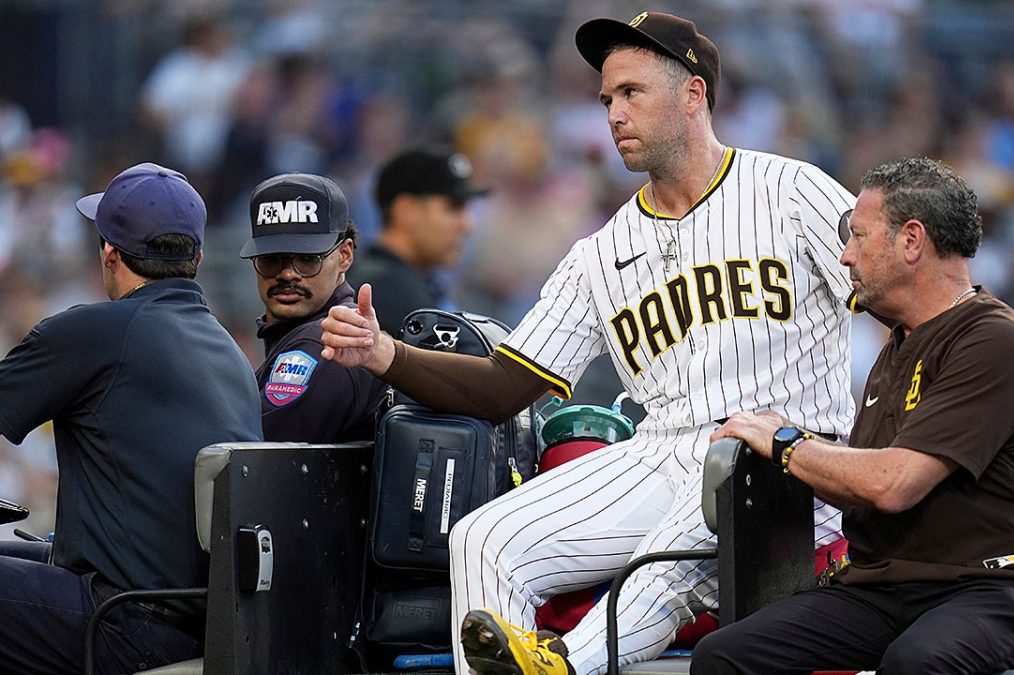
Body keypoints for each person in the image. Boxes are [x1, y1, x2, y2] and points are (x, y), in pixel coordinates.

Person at [321, 11, 856, 675]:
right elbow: (502, 388)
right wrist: (386, 356)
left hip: (789, 459)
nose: (613, 113)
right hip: (665, 451)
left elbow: (900, 298)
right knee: (483, 538)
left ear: (693, 95)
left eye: (632, 92)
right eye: (606, 99)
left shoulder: (790, 190)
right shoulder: (601, 253)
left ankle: (562, 665)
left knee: (671, 551)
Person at [692, 157, 1014, 674]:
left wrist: (787, 442)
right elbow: (866, 478)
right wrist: (791, 442)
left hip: (1004, 586)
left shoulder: (997, 340)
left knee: (916, 663)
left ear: (911, 240)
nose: (844, 256)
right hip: (888, 586)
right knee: (725, 655)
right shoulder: (896, 348)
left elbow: (894, 484)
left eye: (857, 236)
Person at [0, 162, 263, 675]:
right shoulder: (231, 351)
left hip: (128, 623)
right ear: (198, 256)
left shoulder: (96, 332)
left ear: (109, 254)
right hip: (202, 623)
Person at [240, 172, 388, 442]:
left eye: (308, 259)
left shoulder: (328, 344)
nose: (287, 274)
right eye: (271, 259)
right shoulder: (311, 336)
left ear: (345, 255)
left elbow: (252, 466)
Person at [346, 148, 487, 337]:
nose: (467, 225)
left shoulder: (414, 284)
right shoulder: (385, 294)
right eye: (453, 207)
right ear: (406, 210)